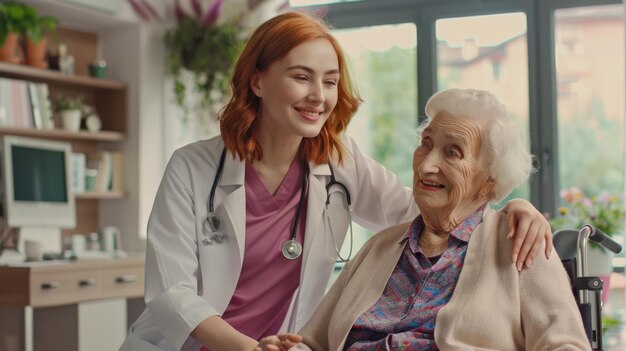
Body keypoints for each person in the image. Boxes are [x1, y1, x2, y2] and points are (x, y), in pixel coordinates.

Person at [121, 12, 554, 351]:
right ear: (257, 80)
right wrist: (248, 348)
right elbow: (169, 293)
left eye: (329, 81)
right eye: (301, 76)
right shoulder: (192, 168)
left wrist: (507, 207)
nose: (319, 96)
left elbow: (430, 210)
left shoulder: (339, 161)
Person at [256, 88, 589, 351]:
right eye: (425, 144)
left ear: (490, 179)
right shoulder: (380, 247)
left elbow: (566, 346)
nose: (427, 164)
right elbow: (313, 342)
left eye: (452, 152)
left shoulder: (520, 243)